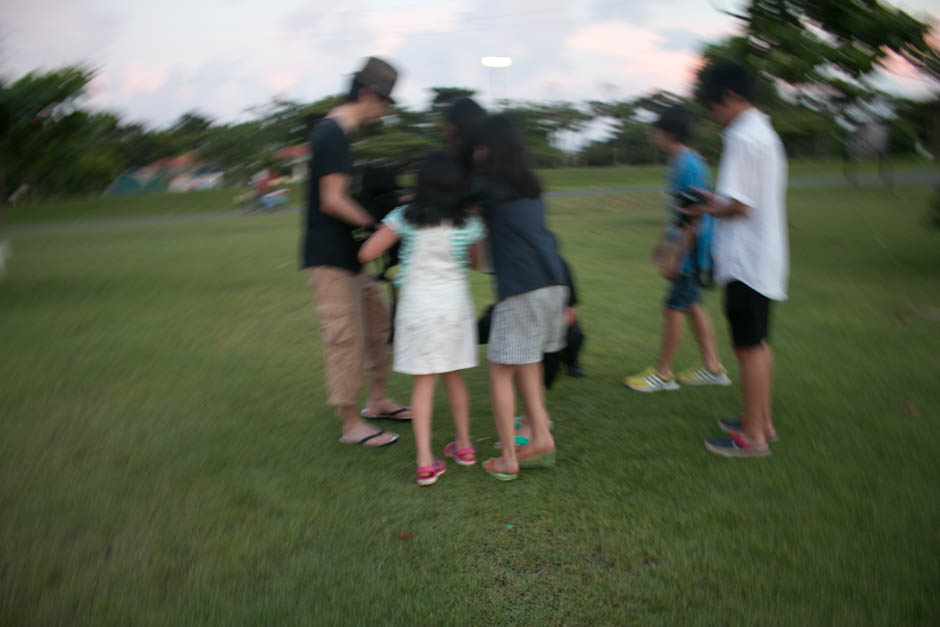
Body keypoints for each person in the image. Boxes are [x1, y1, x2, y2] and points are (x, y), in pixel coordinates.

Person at [302, 57, 411, 448]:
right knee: (344, 338)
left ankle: (378, 399)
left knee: (380, 325)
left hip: (351, 256)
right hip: (328, 256)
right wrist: (378, 226)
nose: (382, 111)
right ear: (368, 93)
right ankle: (351, 424)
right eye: (383, 103)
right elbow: (332, 201)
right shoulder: (331, 134)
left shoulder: (341, 136)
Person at [359, 152, 486, 485]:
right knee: (454, 377)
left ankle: (426, 463)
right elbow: (476, 262)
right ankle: (465, 447)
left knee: (424, 382)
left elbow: (366, 253)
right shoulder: (468, 221)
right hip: (455, 307)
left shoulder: (404, 217)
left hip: (418, 309)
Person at [685, 60, 789, 457]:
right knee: (757, 344)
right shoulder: (763, 131)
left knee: (748, 347)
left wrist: (704, 210)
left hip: (745, 259)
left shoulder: (743, 136)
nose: (715, 117)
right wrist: (714, 200)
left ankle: (754, 438)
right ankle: (760, 423)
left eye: (713, 108)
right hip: (762, 257)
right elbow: (744, 199)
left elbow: (741, 207)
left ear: (730, 96)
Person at [474, 114, 569, 481]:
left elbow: (456, 196)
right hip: (553, 284)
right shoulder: (529, 185)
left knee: (499, 370)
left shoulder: (489, 186)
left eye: (480, 147)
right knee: (528, 362)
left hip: (522, 289)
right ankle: (541, 438)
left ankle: (509, 458)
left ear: (490, 149)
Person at [625, 105, 730, 392]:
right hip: (686, 244)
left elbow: (694, 217)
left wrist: (678, 257)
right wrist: (662, 244)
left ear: (668, 133)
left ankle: (662, 374)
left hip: (693, 248)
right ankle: (713, 368)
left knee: (673, 307)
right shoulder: (679, 163)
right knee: (692, 305)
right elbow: (678, 213)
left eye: (655, 130)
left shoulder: (688, 165)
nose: (652, 134)